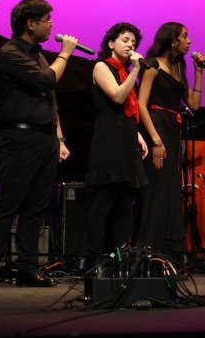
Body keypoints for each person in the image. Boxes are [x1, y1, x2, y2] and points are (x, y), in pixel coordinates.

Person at [0, 0, 79, 289]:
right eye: (47, 19)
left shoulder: (39, 54)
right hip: (20, 137)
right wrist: (66, 53)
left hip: (45, 138)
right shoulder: (9, 53)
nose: (52, 25)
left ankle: (27, 268)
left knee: (35, 208)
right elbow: (46, 81)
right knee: (9, 204)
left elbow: (51, 99)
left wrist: (59, 138)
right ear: (30, 24)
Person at [137, 22, 205, 260]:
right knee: (156, 190)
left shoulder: (178, 67)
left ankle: (165, 254)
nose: (189, 41)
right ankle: (149, 251)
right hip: (156, 128)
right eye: (185, 36)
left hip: (172, 128)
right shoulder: (153, 65)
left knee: (169, 191)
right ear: (172, 40)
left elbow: (194, 105)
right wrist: (156, 141)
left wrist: (198, 72)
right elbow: (141, 105)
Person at [84, 23, 149, 267]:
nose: (130, 45)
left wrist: (138, 136)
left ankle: (121, 263)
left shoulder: (126, 73)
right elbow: (118, 97)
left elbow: (129, 112)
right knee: (103, 205)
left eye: (133, 41)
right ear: (111, 43)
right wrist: (136, 70)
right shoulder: (101, 66)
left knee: (124, 208)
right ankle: (93, 262)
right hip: (108, 142)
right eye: (125, 39)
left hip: (125, 141)